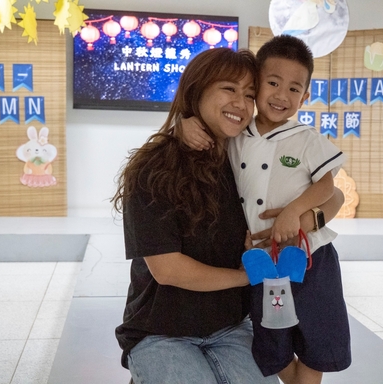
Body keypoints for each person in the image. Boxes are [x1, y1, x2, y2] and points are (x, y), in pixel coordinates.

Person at [111, 47, 345, 384]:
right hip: (160, 330)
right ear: (197, 89)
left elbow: (333, 194)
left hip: (230, 327)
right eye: (229, 89)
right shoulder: (155, 168)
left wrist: (301, 219)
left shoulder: (236, 153)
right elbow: (167, 269)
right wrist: (249, 275)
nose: (241, 103)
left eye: (249, 93)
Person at [181, 35, 351, 384]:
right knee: (271, 345)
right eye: (273, 83)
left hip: (311, 257)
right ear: (255, 85)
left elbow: (327, 186)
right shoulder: (236, 134)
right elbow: (200, 127)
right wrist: (182, 122)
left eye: (294, 89)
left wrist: (293, 212)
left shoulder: (306, 138)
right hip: (262, 260)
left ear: (305, 96)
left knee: (316, 339)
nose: (281, 95)